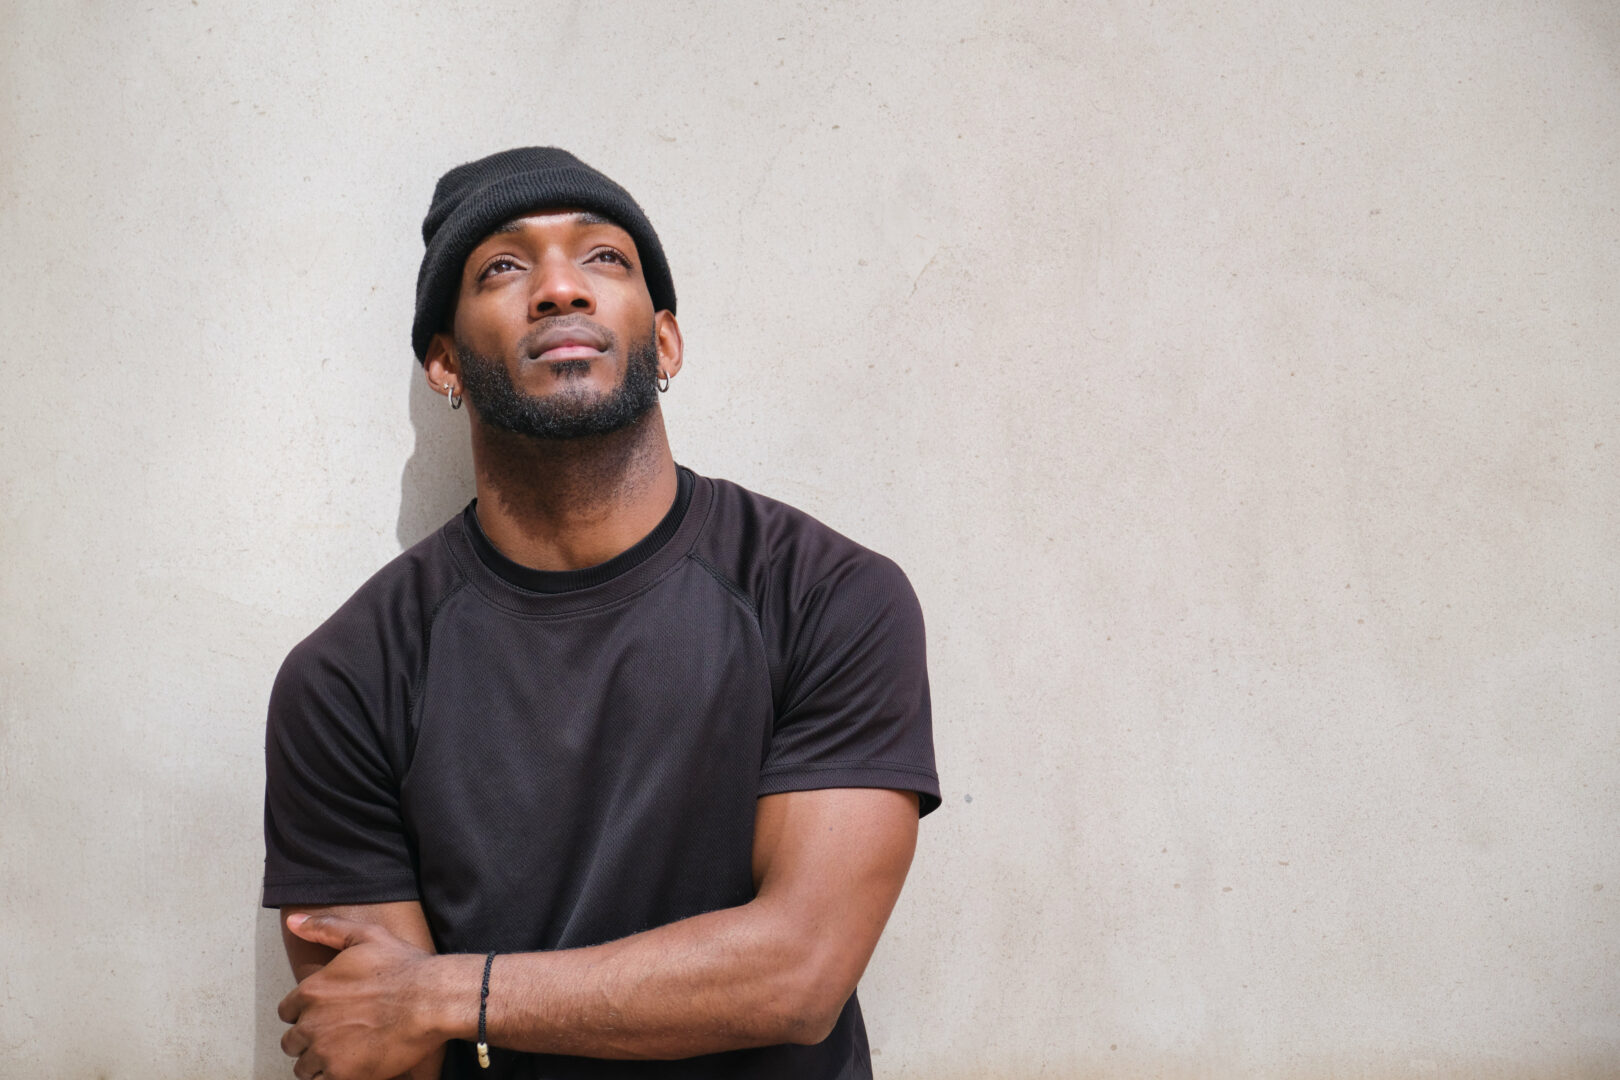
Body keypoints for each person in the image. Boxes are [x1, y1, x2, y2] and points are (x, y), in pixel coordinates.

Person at [262, 147, 940, 1080]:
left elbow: (797, 972)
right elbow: (373, 1038)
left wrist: (445, 995)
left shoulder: (826, 595)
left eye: (603, 258)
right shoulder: (347, 677)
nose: (558, 289)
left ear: (663, 343)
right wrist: (412, 1006)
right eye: (503, 267)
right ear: (445, 362)